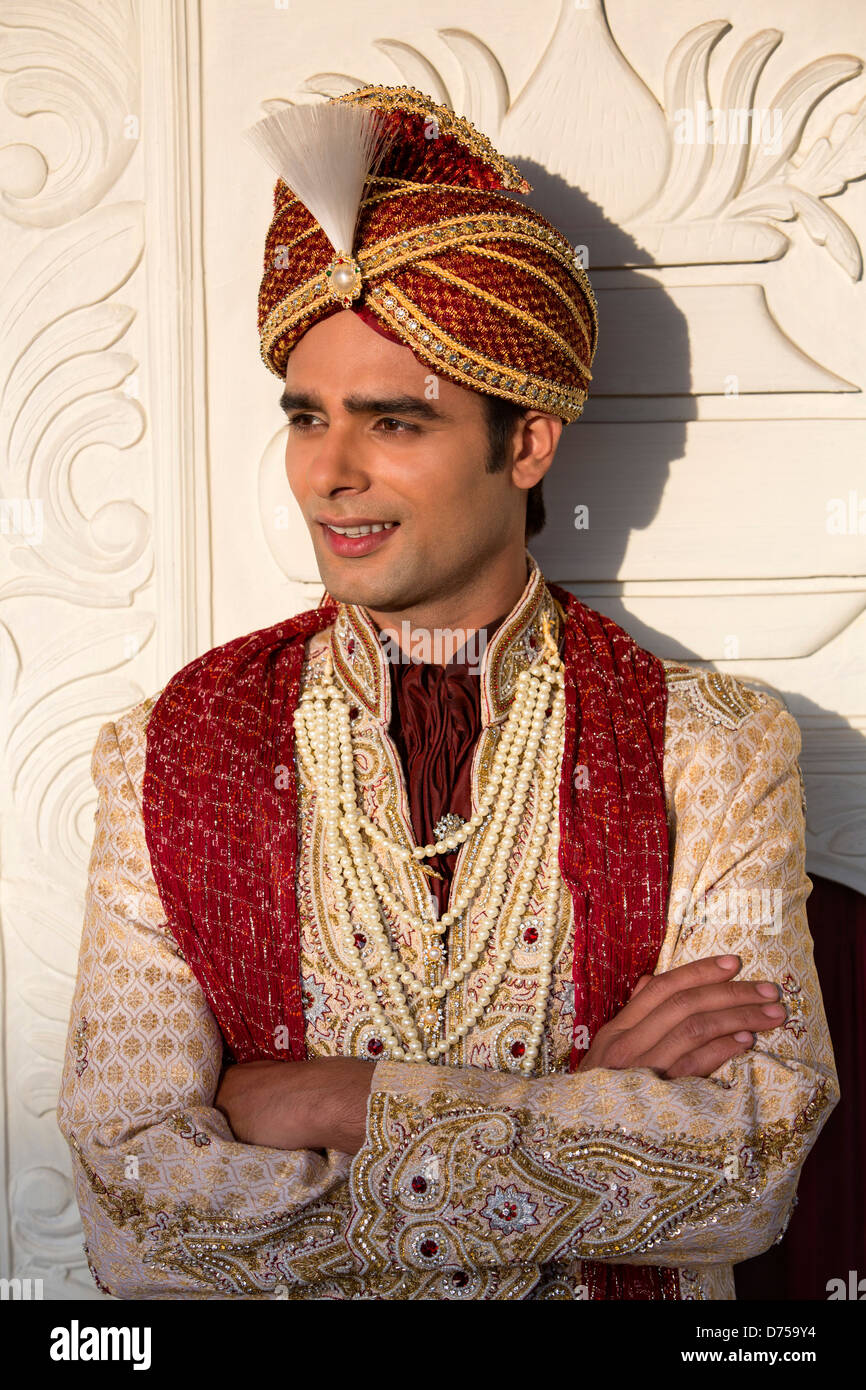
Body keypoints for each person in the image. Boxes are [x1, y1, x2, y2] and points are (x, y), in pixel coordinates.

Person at [57, 84, 838, 1301]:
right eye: (306, 415)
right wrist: (577, 1103)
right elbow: (137, 1213)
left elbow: (743, 1168)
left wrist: (334, 1102)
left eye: (395, 422)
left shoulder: (712, 746)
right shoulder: (171, 752)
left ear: (525, 443)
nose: (330, 473)